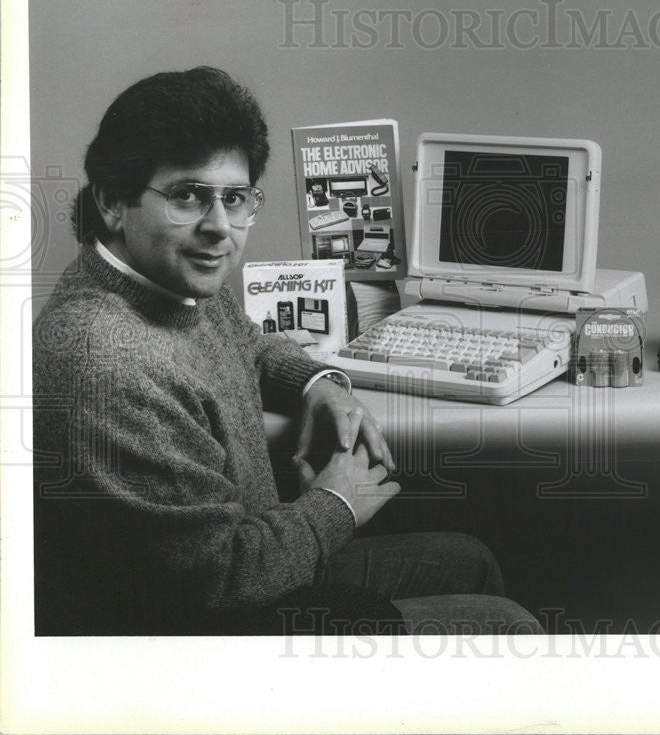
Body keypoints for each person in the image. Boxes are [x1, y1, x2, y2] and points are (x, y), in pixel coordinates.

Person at [32, 66, 540, 636]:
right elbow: (217, 583)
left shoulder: (164, 280)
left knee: (471, 558)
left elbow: (244, 341)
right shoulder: (108, 362)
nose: (220, 228)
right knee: (508, 626)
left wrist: (316, 383)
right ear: (111, 201)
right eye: (187, 196)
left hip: (249, 560)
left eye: (236, 198)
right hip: (205, 636)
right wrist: (335, 503)